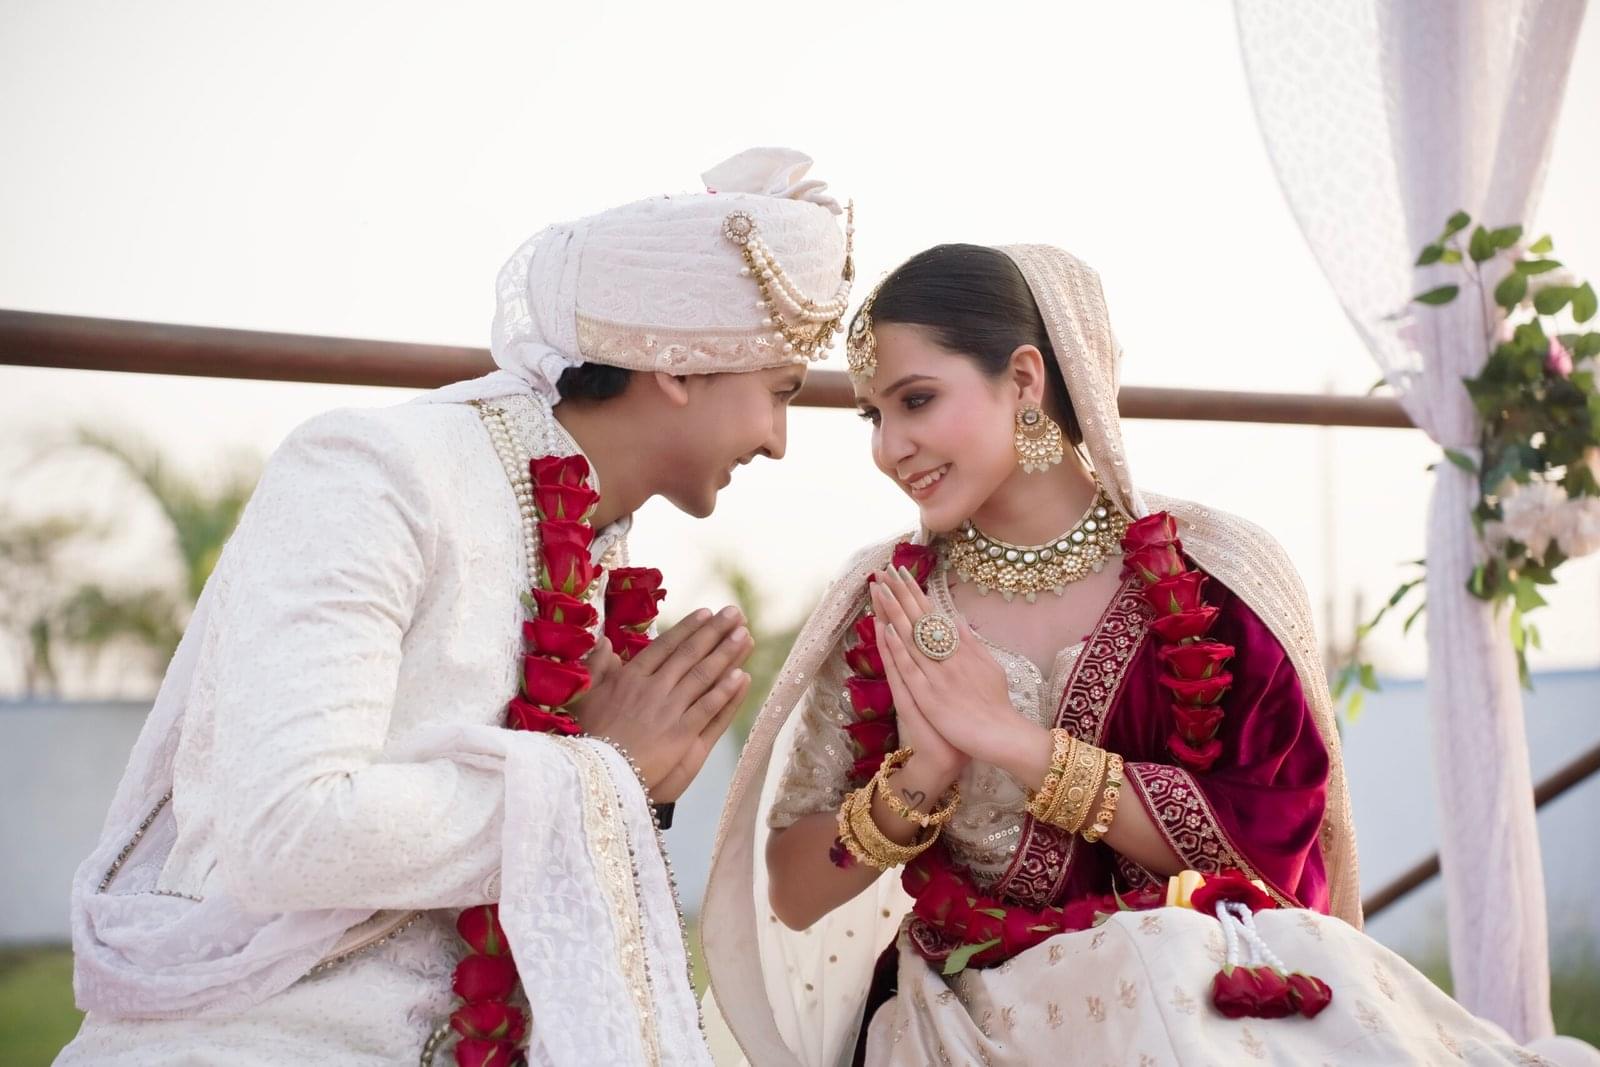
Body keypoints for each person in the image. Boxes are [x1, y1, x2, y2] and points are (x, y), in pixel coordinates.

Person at [701, 243, 1599, 1066]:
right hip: (976, 1013)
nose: (888, 448)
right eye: (872, 415)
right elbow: (793, 889)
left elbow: (1274, 860)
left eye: (917, 400)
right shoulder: (888, 607)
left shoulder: (1217, 577)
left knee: (1172, 961)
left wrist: (1018, 743)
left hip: (1209, 988)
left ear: (1024, 378)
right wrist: (921, 779)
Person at [56, 146, 855, 1066]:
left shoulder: (593, 540)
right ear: (681, 364)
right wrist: (607, 776)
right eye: (779, 394)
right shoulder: (373, 469)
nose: (781, 441)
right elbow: (285, 831)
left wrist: (632, 792)